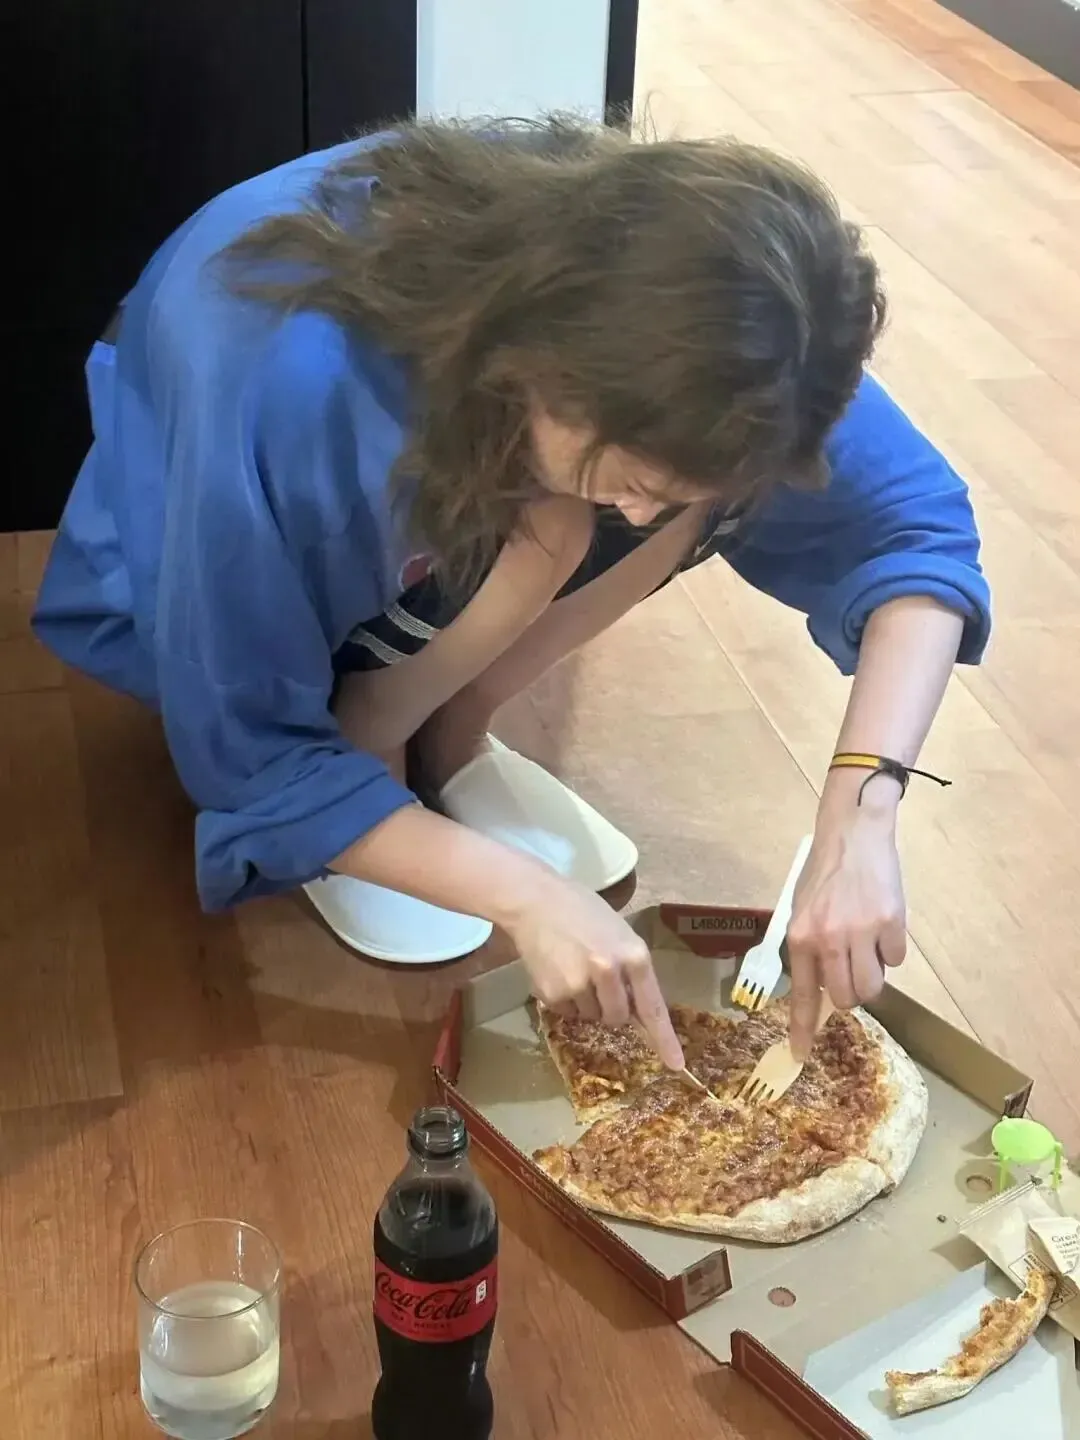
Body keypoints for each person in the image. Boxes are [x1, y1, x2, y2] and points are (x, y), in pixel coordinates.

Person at [33, 118, 989, 1069]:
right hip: (226, 536)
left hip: (445, 468)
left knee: (648, 507)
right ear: (549, 367)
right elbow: (246, 748)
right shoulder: (292, 385)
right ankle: (369, 757)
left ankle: (449, 738)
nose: (641, 514)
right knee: (556, 527)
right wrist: (526, 898)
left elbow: (915, 529)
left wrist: (859, 821)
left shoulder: (726, 322)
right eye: (635, 476)